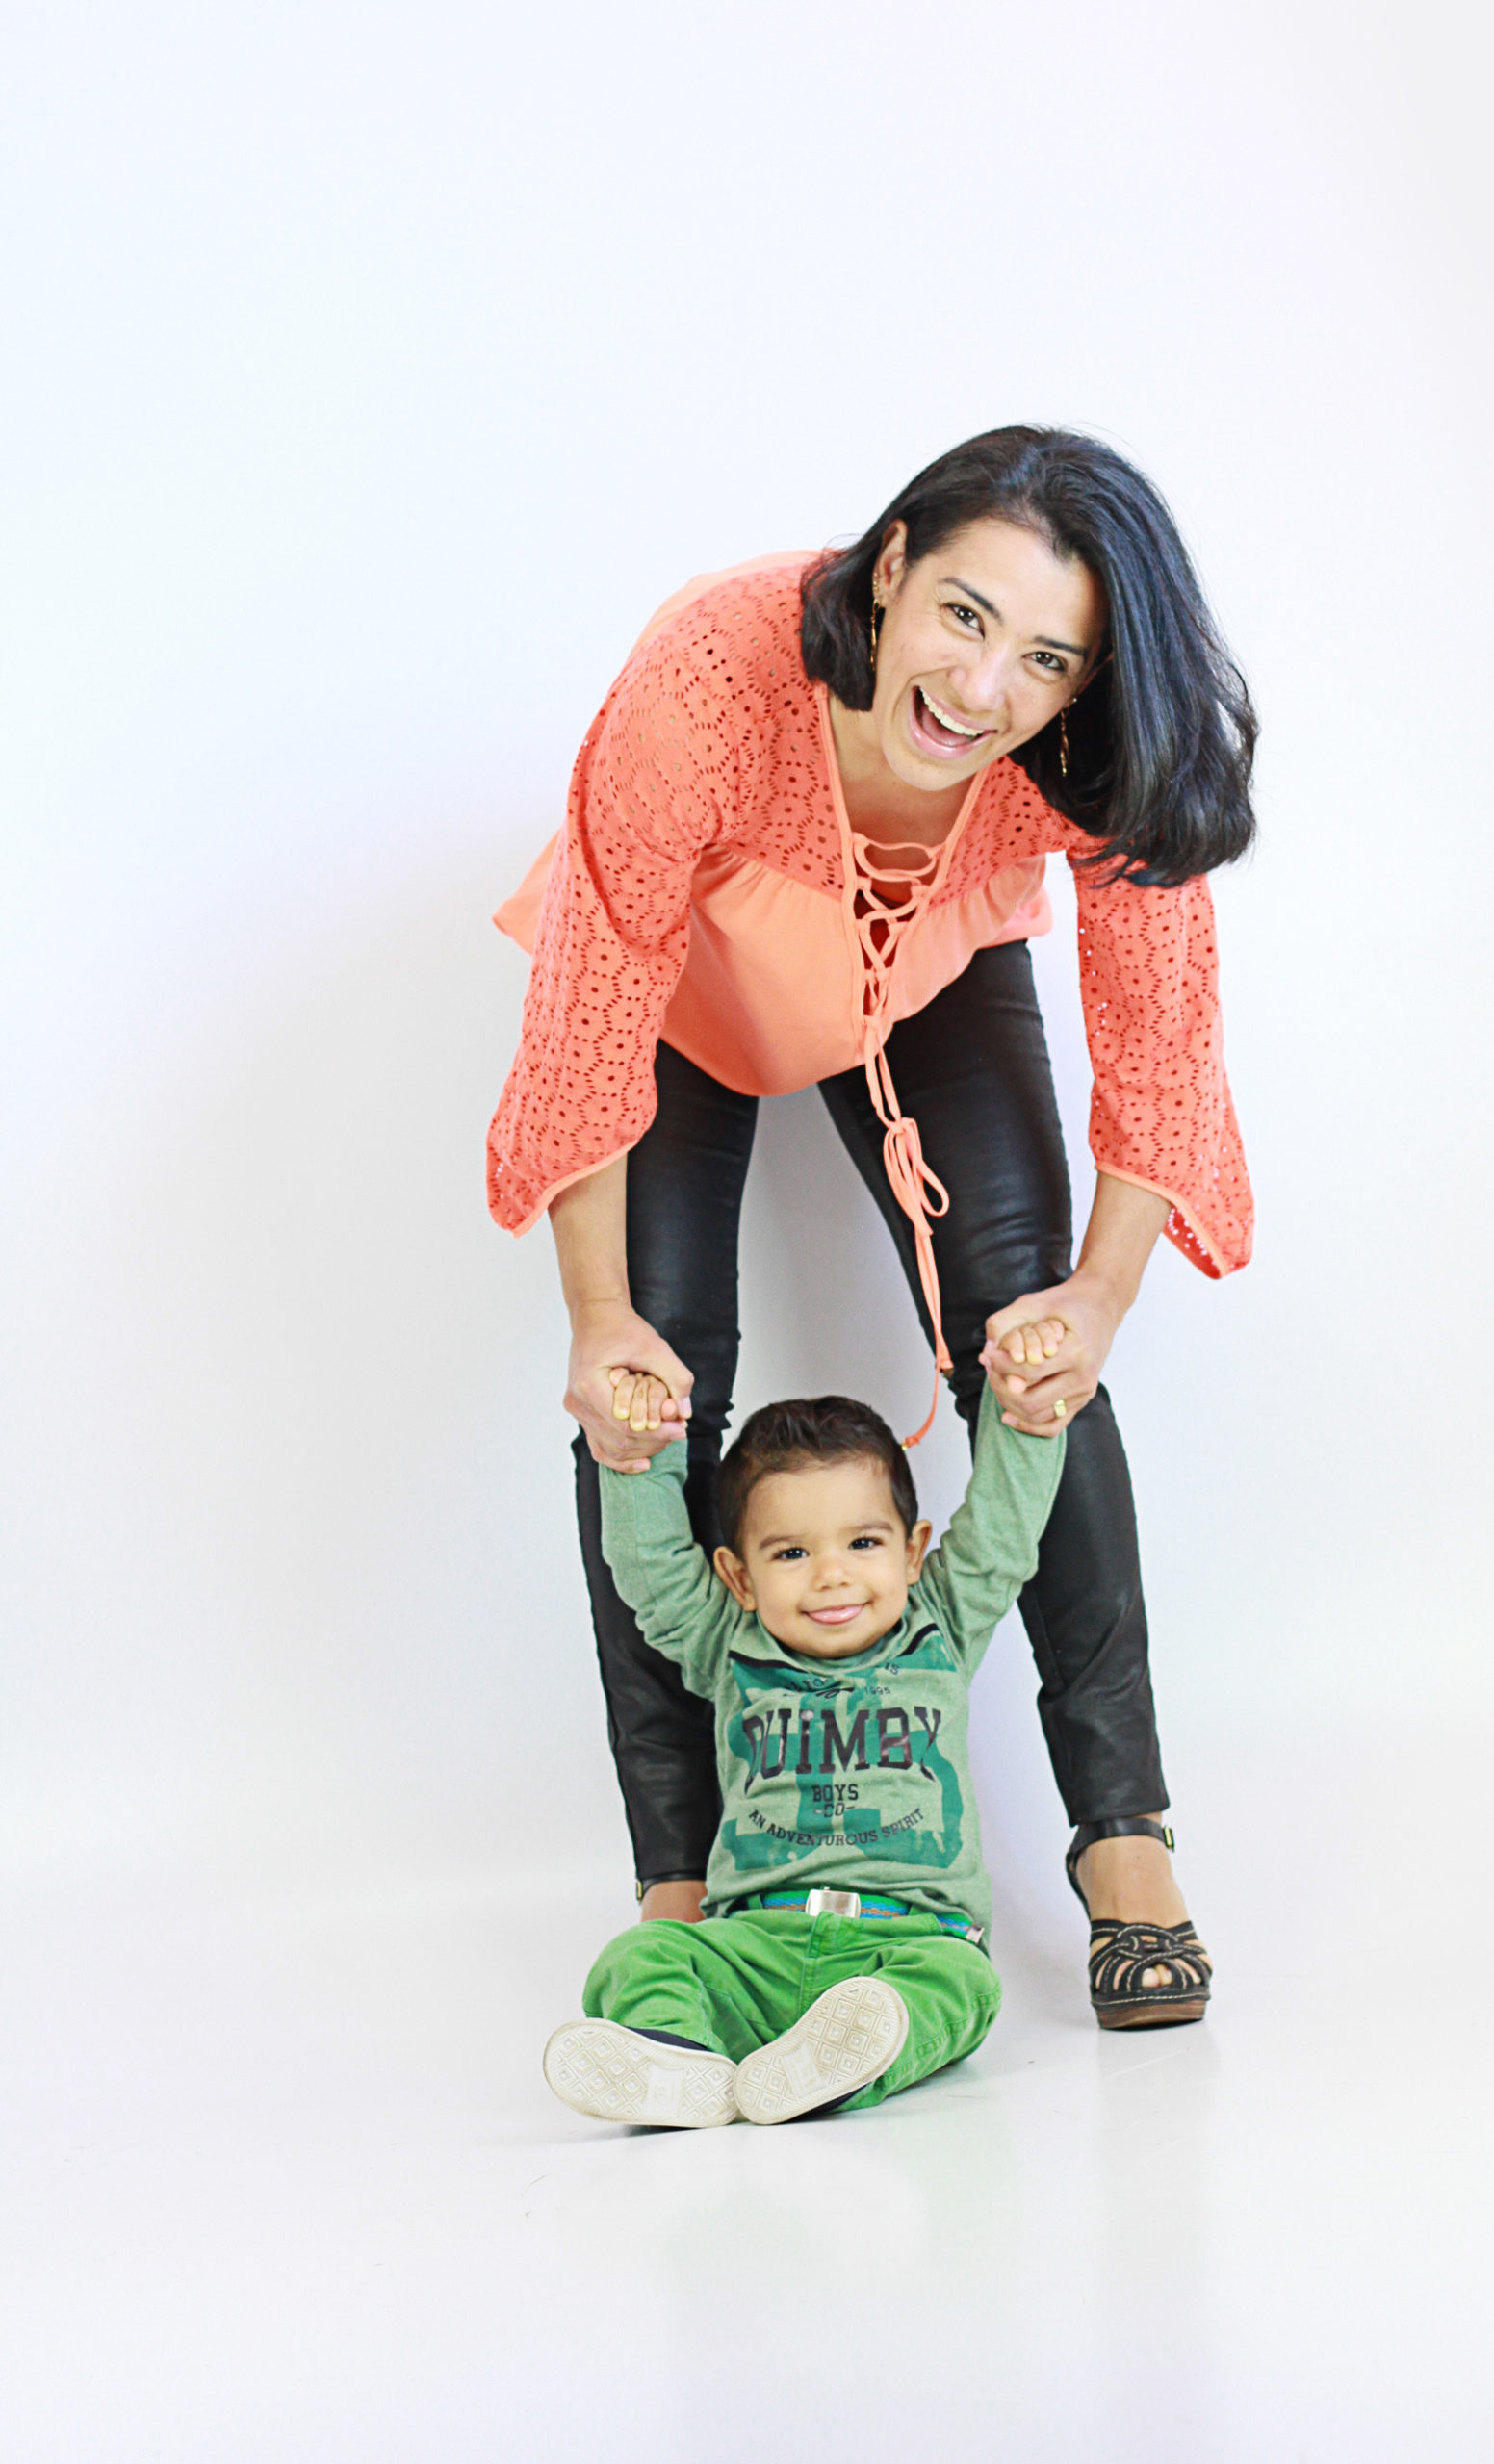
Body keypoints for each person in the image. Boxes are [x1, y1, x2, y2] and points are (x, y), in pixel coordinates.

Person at [489, 425, 1254, 2028]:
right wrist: (598, 1317)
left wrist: (1095, 1301)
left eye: (1043, 659)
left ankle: (1123, 1839)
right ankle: (685, 1878)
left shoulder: (1084, 746)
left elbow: (1160, 1036)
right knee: (646, 1388)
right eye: (964, 615)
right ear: (892, 565)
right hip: (684, 976)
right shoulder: (718, 664)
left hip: (924, 966)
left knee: (1026, 1347)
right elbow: (596, 984)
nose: (979, 690)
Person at [546, 1376, 1079, 2129]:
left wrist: (1025, 1412)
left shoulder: (941, 1625)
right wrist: (639, 1453)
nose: (832, 1575)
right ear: (739, 1577)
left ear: (912, 1552)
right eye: (791, 1552)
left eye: (863, 1543)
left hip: (910, 1944)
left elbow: (1002, 1531)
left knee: (965, 1984)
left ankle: (838, 2068)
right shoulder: (728, 1645)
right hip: (753, 1945)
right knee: (638, 1958)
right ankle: (677, 2061)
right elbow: (650, 1567)